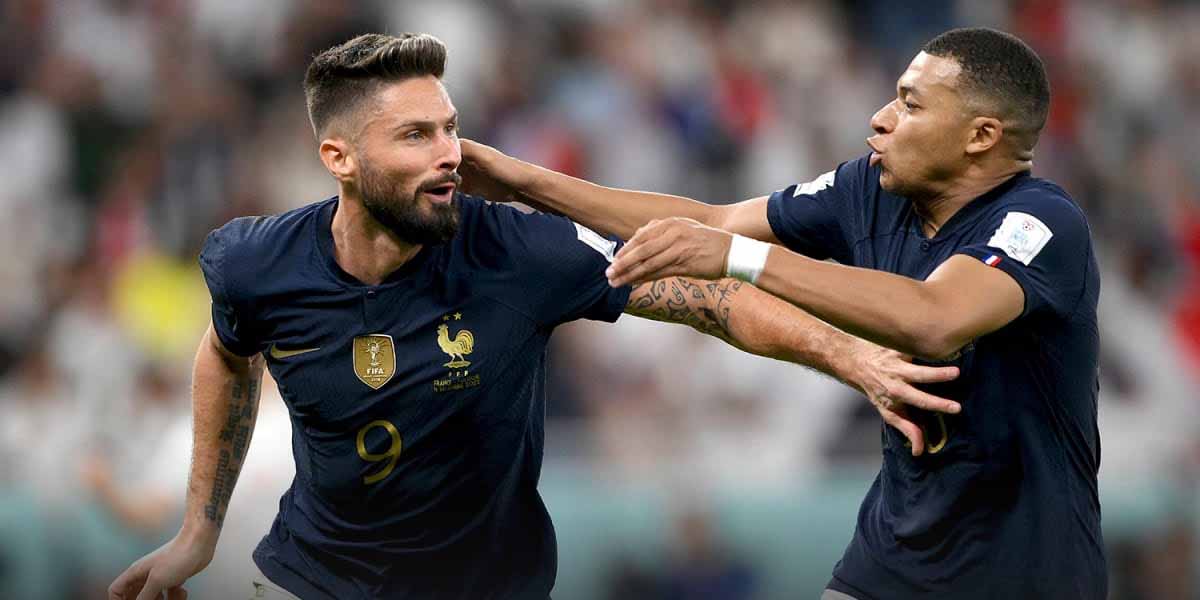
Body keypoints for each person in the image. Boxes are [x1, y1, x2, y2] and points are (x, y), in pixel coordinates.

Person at [107, 33, 960, 600]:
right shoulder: (254, 261)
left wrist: (853, 358)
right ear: (340, 158)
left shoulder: (516, 251)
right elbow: (227, 352)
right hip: (308, 582)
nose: (450, 154)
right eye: (415, 136)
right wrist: (198, 531)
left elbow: (712, 300)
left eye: (451, 129)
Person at [460, 27, 1105, 600]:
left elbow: (934, 318)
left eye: (911, 105)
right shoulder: (869, 190)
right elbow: (708, 222)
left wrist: (738, 258)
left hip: (1026, 565)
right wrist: (521, 182)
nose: (881, 118)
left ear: (981, 136)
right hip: (896, 552)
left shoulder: (1042, 223)